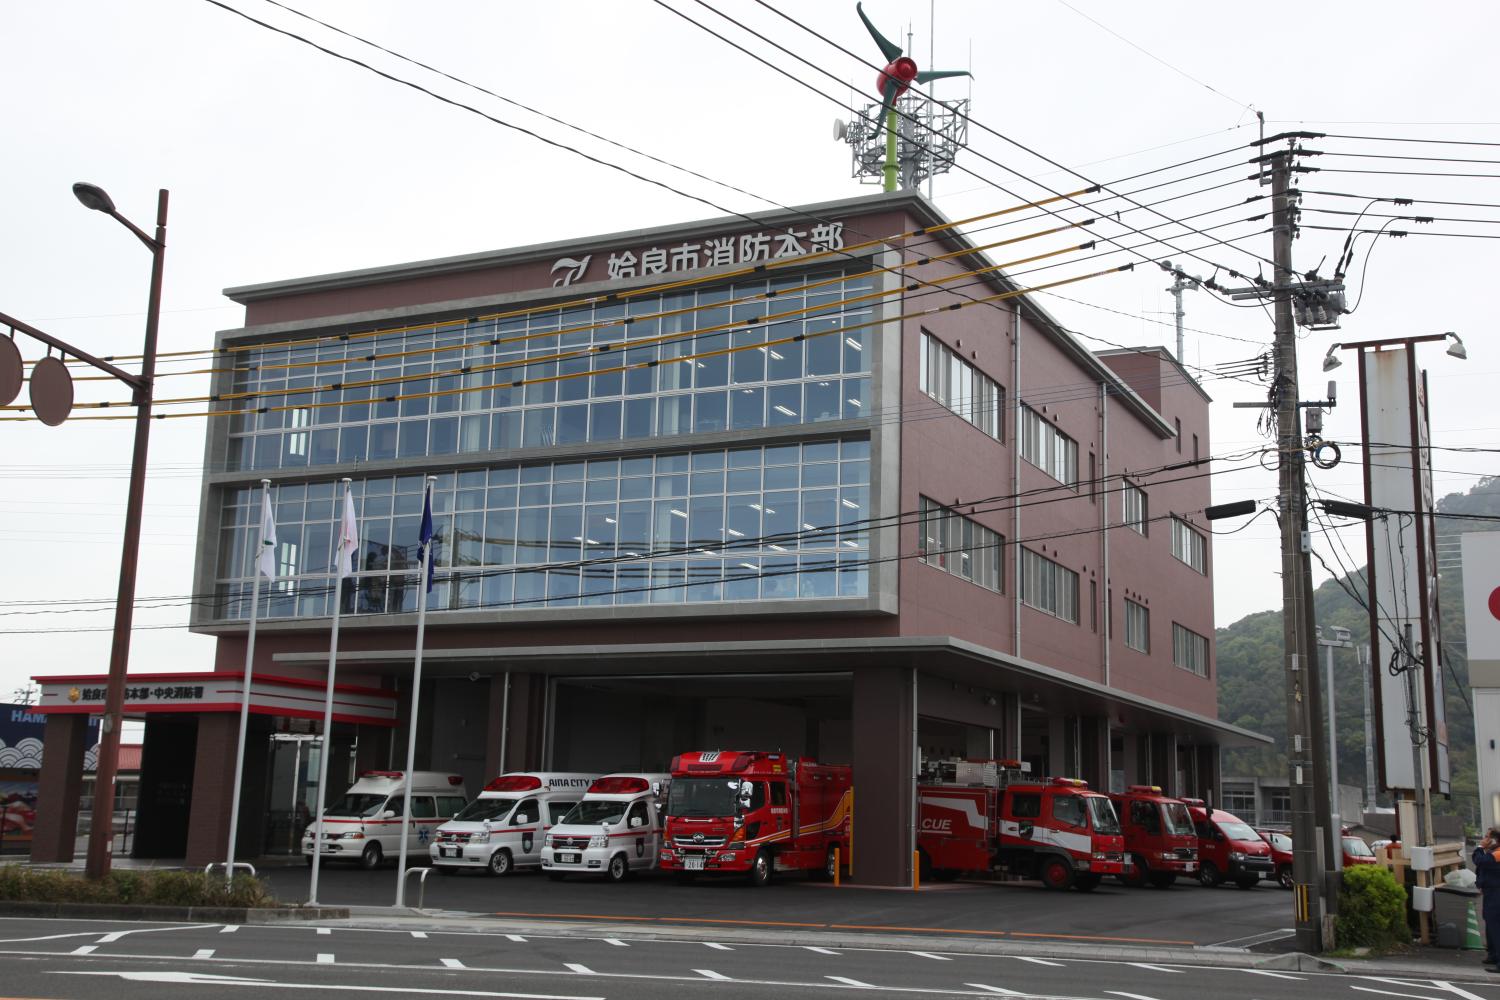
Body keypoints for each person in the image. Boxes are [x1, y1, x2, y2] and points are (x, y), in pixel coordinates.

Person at [1474, 828, 1500, 970]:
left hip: (1496, 894)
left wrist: (1480, 847)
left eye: (1486, 837)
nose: (1484, 839)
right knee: (1491, 925)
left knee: (1496, 927)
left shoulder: (1497, 854)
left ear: (1494, 840)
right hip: (1491, 892)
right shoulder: (1495, 852)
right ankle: (1493, 955)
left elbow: (1479, 861)